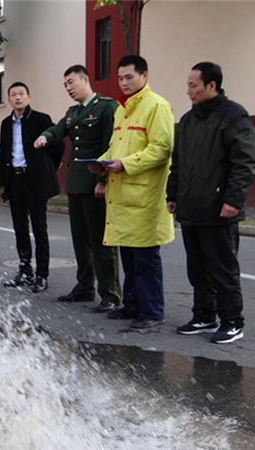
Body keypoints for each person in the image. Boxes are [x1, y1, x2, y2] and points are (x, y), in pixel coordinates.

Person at [167, 62, 255, 344]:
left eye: (193, 85)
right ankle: (204, 316)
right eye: (187, 85)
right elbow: (178, 162)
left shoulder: (233, 115)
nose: (188, 90)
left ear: (211, 86)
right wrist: (172, 194)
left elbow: (245, 162)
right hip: (191, 208)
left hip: (220, 208)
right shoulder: (188, 120)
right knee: (197, 269)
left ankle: (232, 322)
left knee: (223, 270)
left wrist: (233, 200)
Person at [89, 55, 174, 329]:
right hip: (122, 196)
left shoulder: (157, 106)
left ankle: (152, 312)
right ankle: (132, 305)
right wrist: (101, 163)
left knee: (145, 258)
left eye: (129, 77)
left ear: (144, 75)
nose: (124, 83)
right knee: (129, 257)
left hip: (145, 197)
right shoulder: (122, 110)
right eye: (120, 78)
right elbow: (115, 148)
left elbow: (161, 149)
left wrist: (125, 164)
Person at [34, 65, 122, 313]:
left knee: (100, 240)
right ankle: (85, 287)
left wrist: (103, 179)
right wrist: (45, 137)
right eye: (65, 85)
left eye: (71, 82)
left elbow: (111, 145)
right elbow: (59, 129)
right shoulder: (73, 112)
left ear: (85, 79)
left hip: (95, 182)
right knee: (80, 239)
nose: (68, 88)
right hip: (76, 183)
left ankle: (111, 294)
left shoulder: (106, 107)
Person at [0, 82, 65, 293]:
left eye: (21, 94)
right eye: (13, 95)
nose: (17, 97)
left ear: (29, 97)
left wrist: (49, 168)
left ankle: (42, 275)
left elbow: (59, 144)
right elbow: (5, 153)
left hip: (35, 180)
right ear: (9, 100)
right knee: (19, 228)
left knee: (39, 228)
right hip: (15, 179)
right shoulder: (5, 123)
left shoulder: (41, 119)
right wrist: (4, 183)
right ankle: (25, 271)